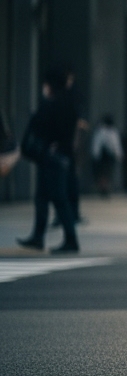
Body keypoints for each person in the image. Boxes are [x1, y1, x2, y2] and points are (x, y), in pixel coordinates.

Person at [17, 68, 80, 254]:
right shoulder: (70, 103)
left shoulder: (53, 104)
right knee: (43, 197)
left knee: (58, 199)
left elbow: (42, 127)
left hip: (53, 158)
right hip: (61, 157)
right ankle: (38, 237)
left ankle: (70, 239)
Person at [90, 115, 122, 198]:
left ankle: (105, 189)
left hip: (106, 156)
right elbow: (115, 145)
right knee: (105, 174)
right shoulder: (103, 131)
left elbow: (115, 145)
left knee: (106, 174)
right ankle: (104, 189)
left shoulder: (107, 131)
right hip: (104, 156)